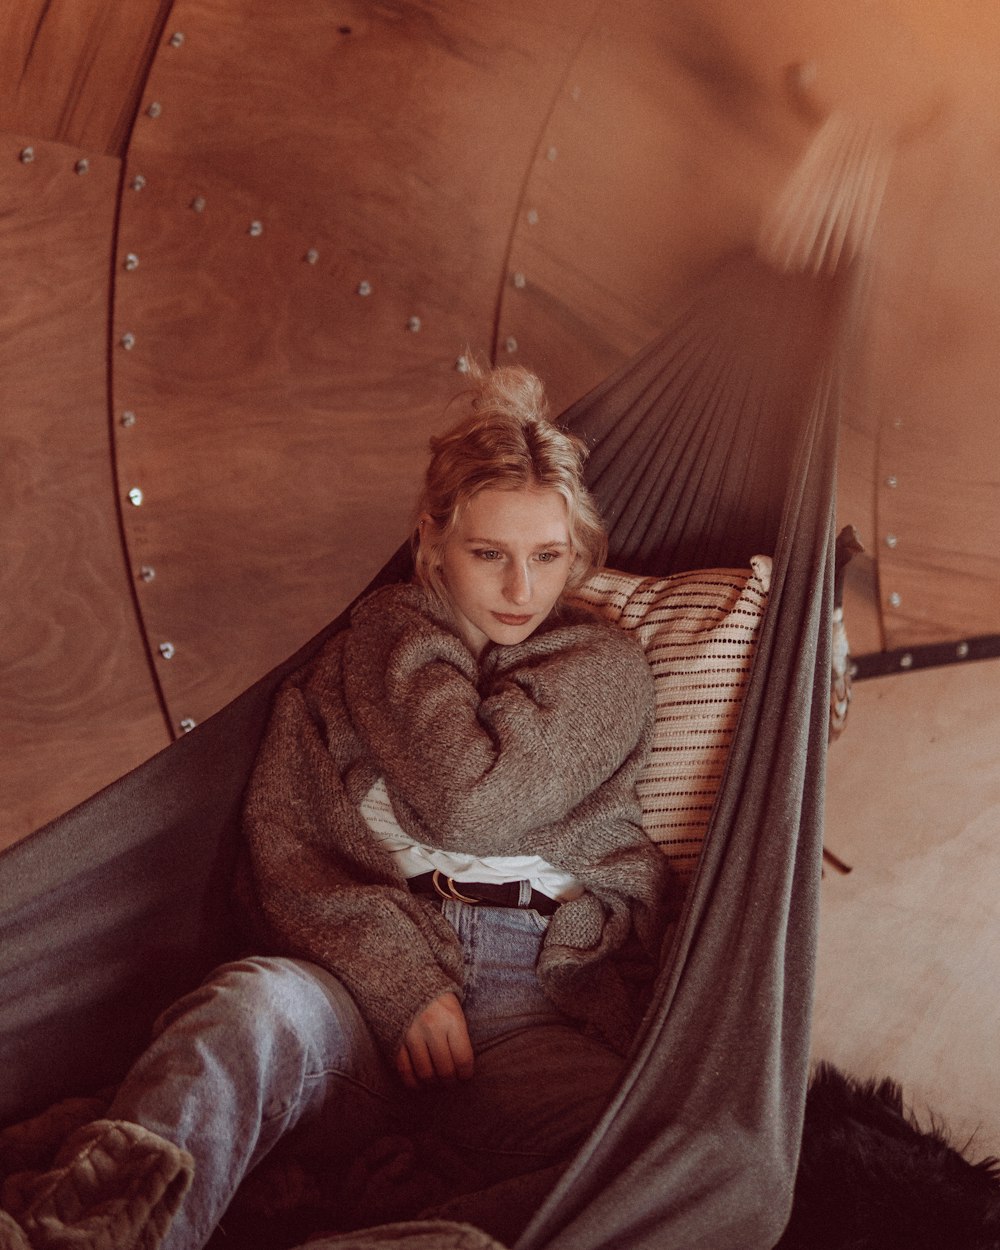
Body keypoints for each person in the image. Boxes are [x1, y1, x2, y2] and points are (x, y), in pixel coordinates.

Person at [4, 363, 673, 1250]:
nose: (522, 590)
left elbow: (466, 806)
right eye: (489, 554)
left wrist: (411, 637)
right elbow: (282, 854)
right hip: (360, 996)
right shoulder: (353, 665)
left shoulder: (601, 670)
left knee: (665, 1163)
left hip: (533, 1006)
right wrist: (397, 981)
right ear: (431, 540)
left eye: (548, 557)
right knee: (249, 1007)